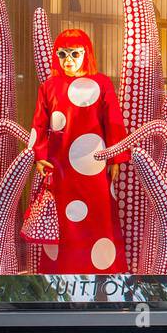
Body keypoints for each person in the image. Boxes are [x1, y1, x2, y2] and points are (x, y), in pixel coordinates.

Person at [29, 29, 130, 274]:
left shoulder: (102, 83)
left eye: (75, 53)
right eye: (62, 54)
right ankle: (61, 272)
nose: (68, 60)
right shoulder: (49, 87)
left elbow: (113, 121)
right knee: (63, 222)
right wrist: (40, 157)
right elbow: (39, 124)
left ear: (86, 54)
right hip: (60, 166)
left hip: (94, 166)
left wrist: (115, 157)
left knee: (97, 218)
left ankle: (102, 269)